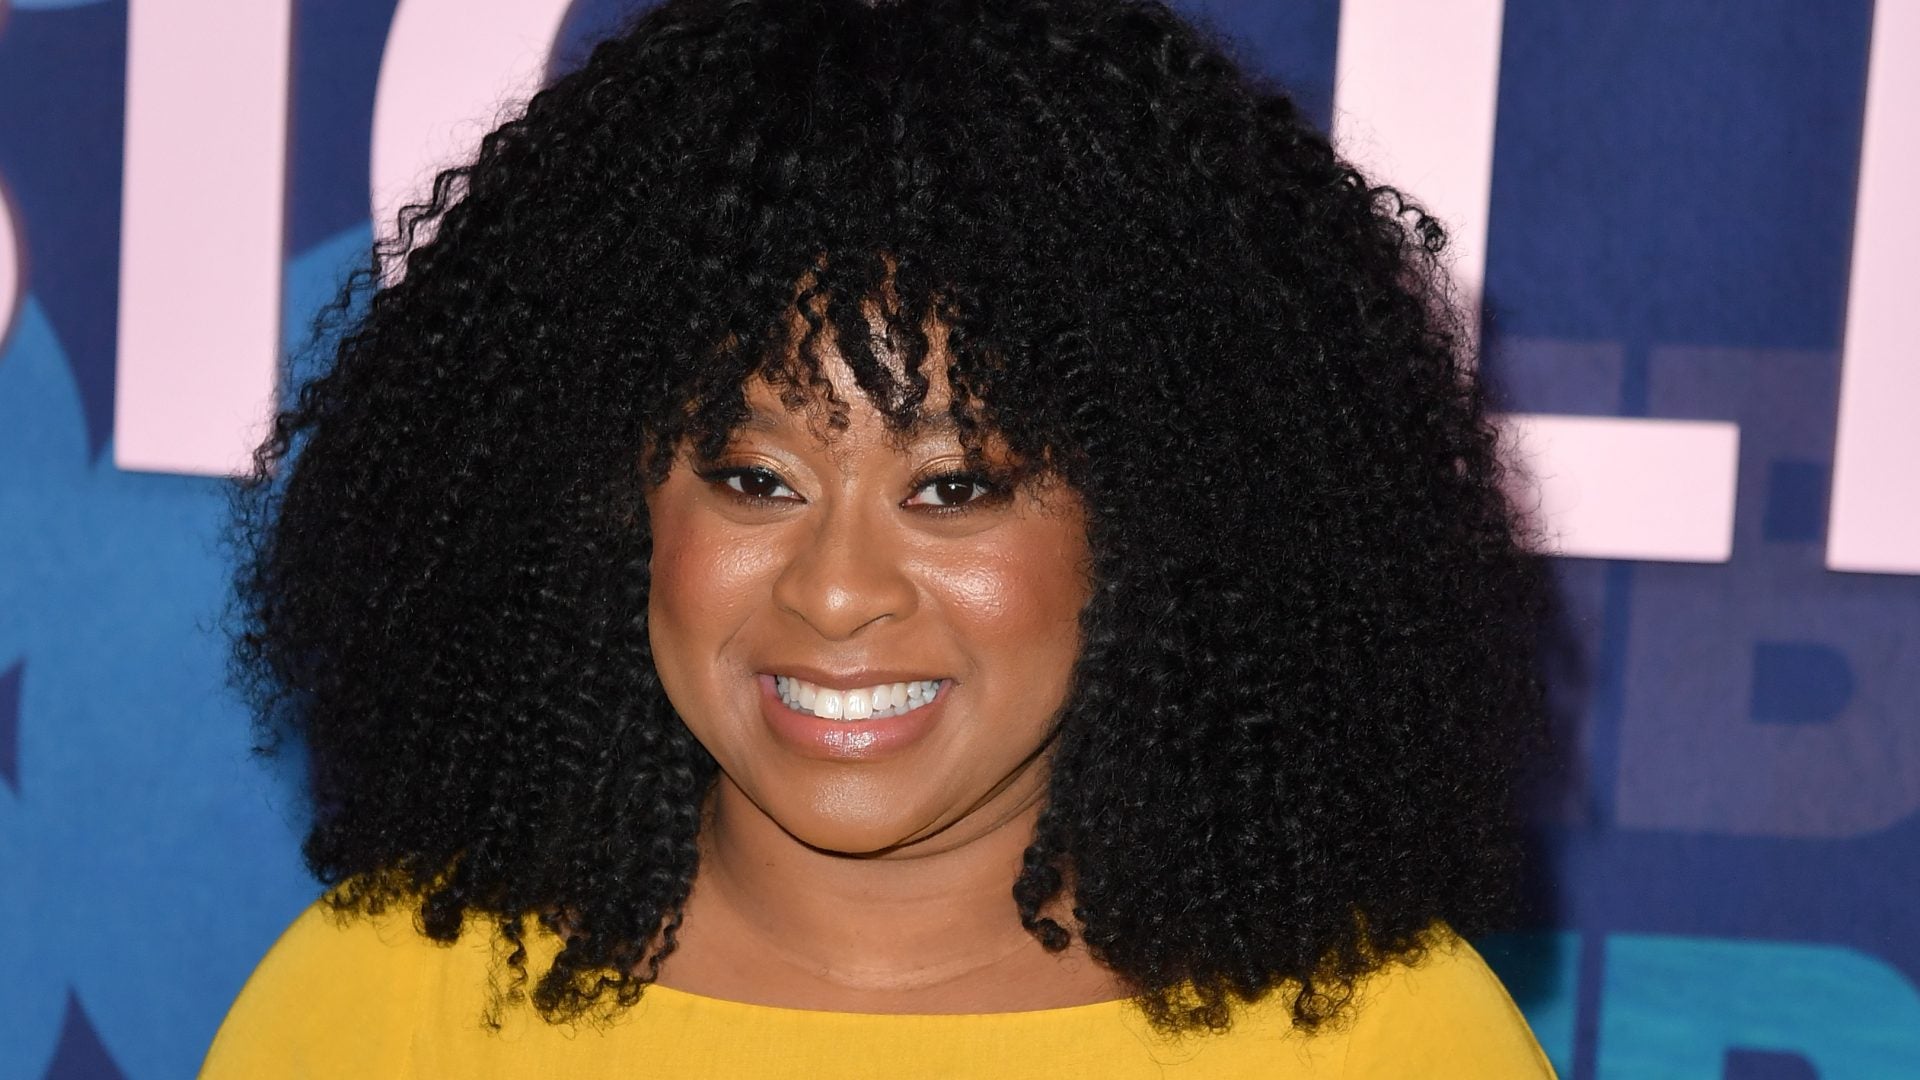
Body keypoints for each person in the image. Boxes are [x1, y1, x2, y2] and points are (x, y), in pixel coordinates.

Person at [204, 0, 1560, 1074]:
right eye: (755, 478)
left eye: (955, 489)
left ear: (1157, 526)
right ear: (607, 506)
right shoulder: (382, 1013)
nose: (837, 590)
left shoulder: (1382, 1045)